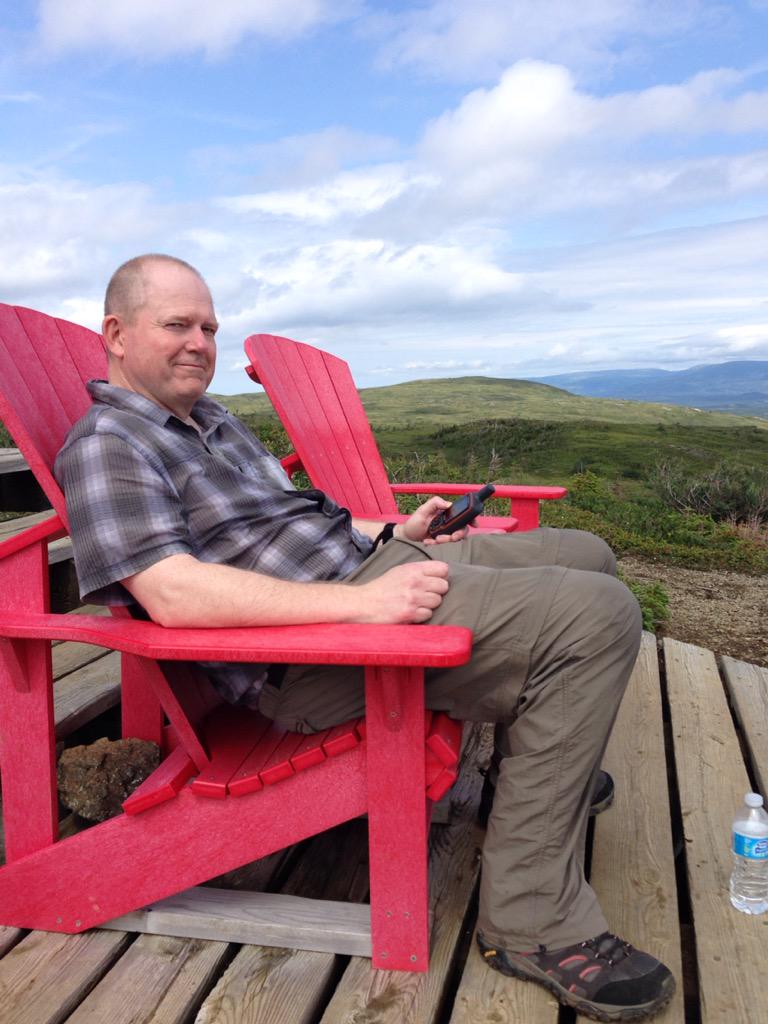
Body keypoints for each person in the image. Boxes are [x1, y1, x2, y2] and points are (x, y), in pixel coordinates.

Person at [55, 254, 675, 1021]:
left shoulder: (209, 422)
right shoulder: (109, 443)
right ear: (116, 334)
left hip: (367, 575)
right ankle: (532, 920)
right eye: (177, 325)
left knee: (587, 554)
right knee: (594, 616)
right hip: (317, 653)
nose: (199, 343)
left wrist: (393, 533)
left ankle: (534, 779)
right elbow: (170, 592)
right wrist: (359, 606)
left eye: (209, 327)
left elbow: (287, 523)